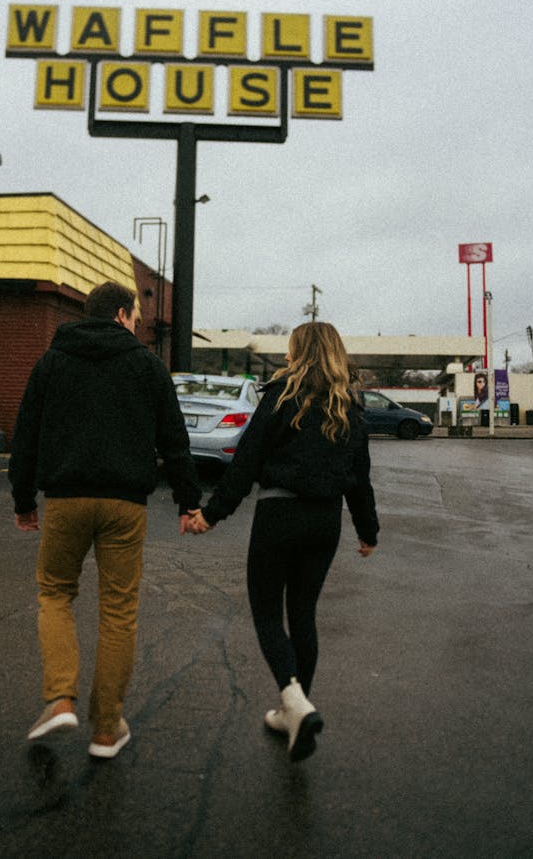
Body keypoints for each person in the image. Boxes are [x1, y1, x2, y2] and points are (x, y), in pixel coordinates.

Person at [9, 281, 201, 759]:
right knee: (118, 611)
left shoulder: (52, 361)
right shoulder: (148, 366)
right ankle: (106, 729)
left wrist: (23, 499)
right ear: (120, 314)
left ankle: (59, 698)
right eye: (135, 315)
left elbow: (26, 433)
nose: (137, 323)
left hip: (66, 501)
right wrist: (188, 501)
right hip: (125, 506)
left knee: (54, 592)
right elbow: (174, 440)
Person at [184, 321, 379, 763]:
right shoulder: (348, 406)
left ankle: (294, 703)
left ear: (299, 352)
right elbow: (359, 479)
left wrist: (212, 514)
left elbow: (246, 462)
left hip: (279, 515)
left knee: (269, 615)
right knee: (303, 615)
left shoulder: (281, 396)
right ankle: (294, 708)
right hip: (324, 523)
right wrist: (368, 532)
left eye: (291, 349)